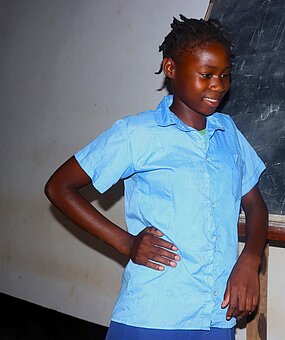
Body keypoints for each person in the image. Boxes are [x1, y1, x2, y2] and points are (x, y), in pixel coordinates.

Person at [45, 15, 268, 340]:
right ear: (171, 68)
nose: (218, 85)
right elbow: (59, 187)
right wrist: (126, 242)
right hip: (155, 314)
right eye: (206, 75)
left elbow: (256, 205)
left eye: (225, 75)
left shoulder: (229, 133)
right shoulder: (138, 133)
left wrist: (250, 259)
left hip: (216, 315)